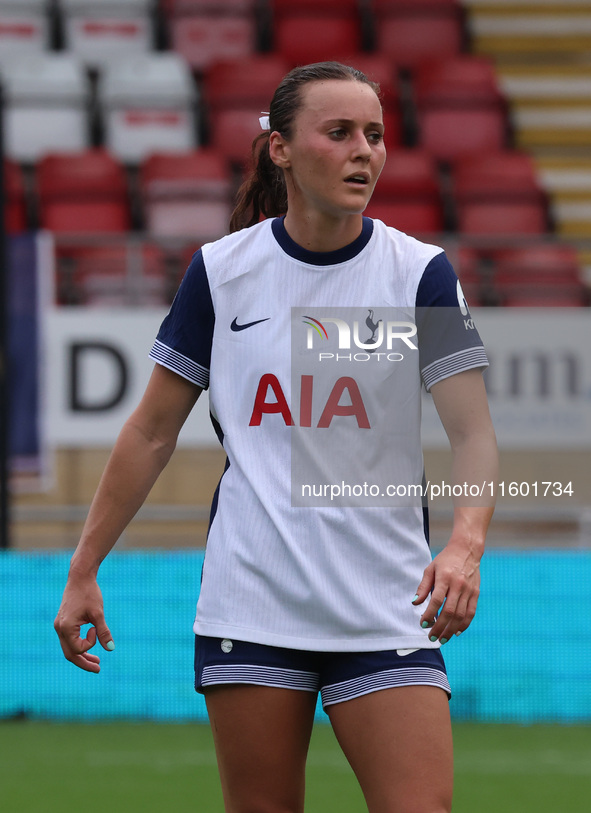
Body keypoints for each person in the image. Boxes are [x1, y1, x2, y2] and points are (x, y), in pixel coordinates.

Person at [55, 61, 498, 813]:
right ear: (281, 150)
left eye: (376, 134)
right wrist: (83, 566)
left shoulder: (421, 273)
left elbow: (472, 431)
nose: (365, 150)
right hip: (250, 601)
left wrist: (464, 544)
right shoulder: (220, 273)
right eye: (339, 132)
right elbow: (152, 432)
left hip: (385, 602)